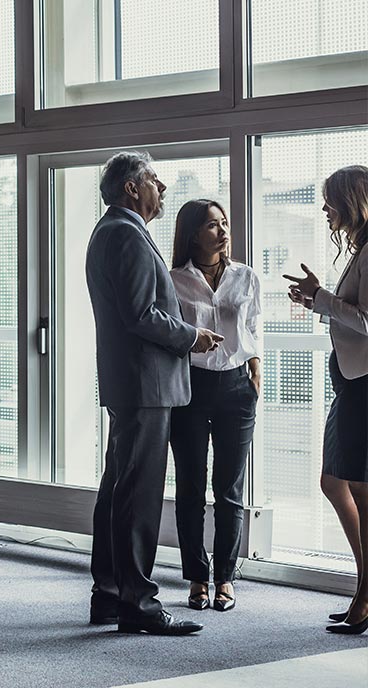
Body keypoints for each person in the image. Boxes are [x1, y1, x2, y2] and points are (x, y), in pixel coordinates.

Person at [84, 150, 221, 636]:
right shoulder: (125, 234)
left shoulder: (116, 232)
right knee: (137, 495)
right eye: (155, 181)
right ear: (131, 188)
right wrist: (192, 336)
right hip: (144, 383)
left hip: (134, 383)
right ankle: (138, 603)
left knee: (118, 489)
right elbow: (141, 315)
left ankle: (109, 593)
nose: (162, 189)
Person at [285, 164, 368, 635]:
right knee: (335, 483)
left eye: (329, 200)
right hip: (350, 384)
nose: (324, 209)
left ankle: (365, 593)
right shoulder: (360, 250)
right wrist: (317, 302)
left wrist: (322, 298)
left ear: (352, 200)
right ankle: (365, 586)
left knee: (358, 488)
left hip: (363, 386)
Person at [168, 200, 262, 613]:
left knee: (229, 489)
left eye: (224, 223)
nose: (223, 231)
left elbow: (254, 327)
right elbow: (167, 333)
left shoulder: (246, 276)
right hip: (191, 386)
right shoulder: (173, 279)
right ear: (191, 234)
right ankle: (196, 577)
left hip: (238, 386)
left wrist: (256, 372)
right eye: (211, 225)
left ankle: (225, 576)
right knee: (190, 486)